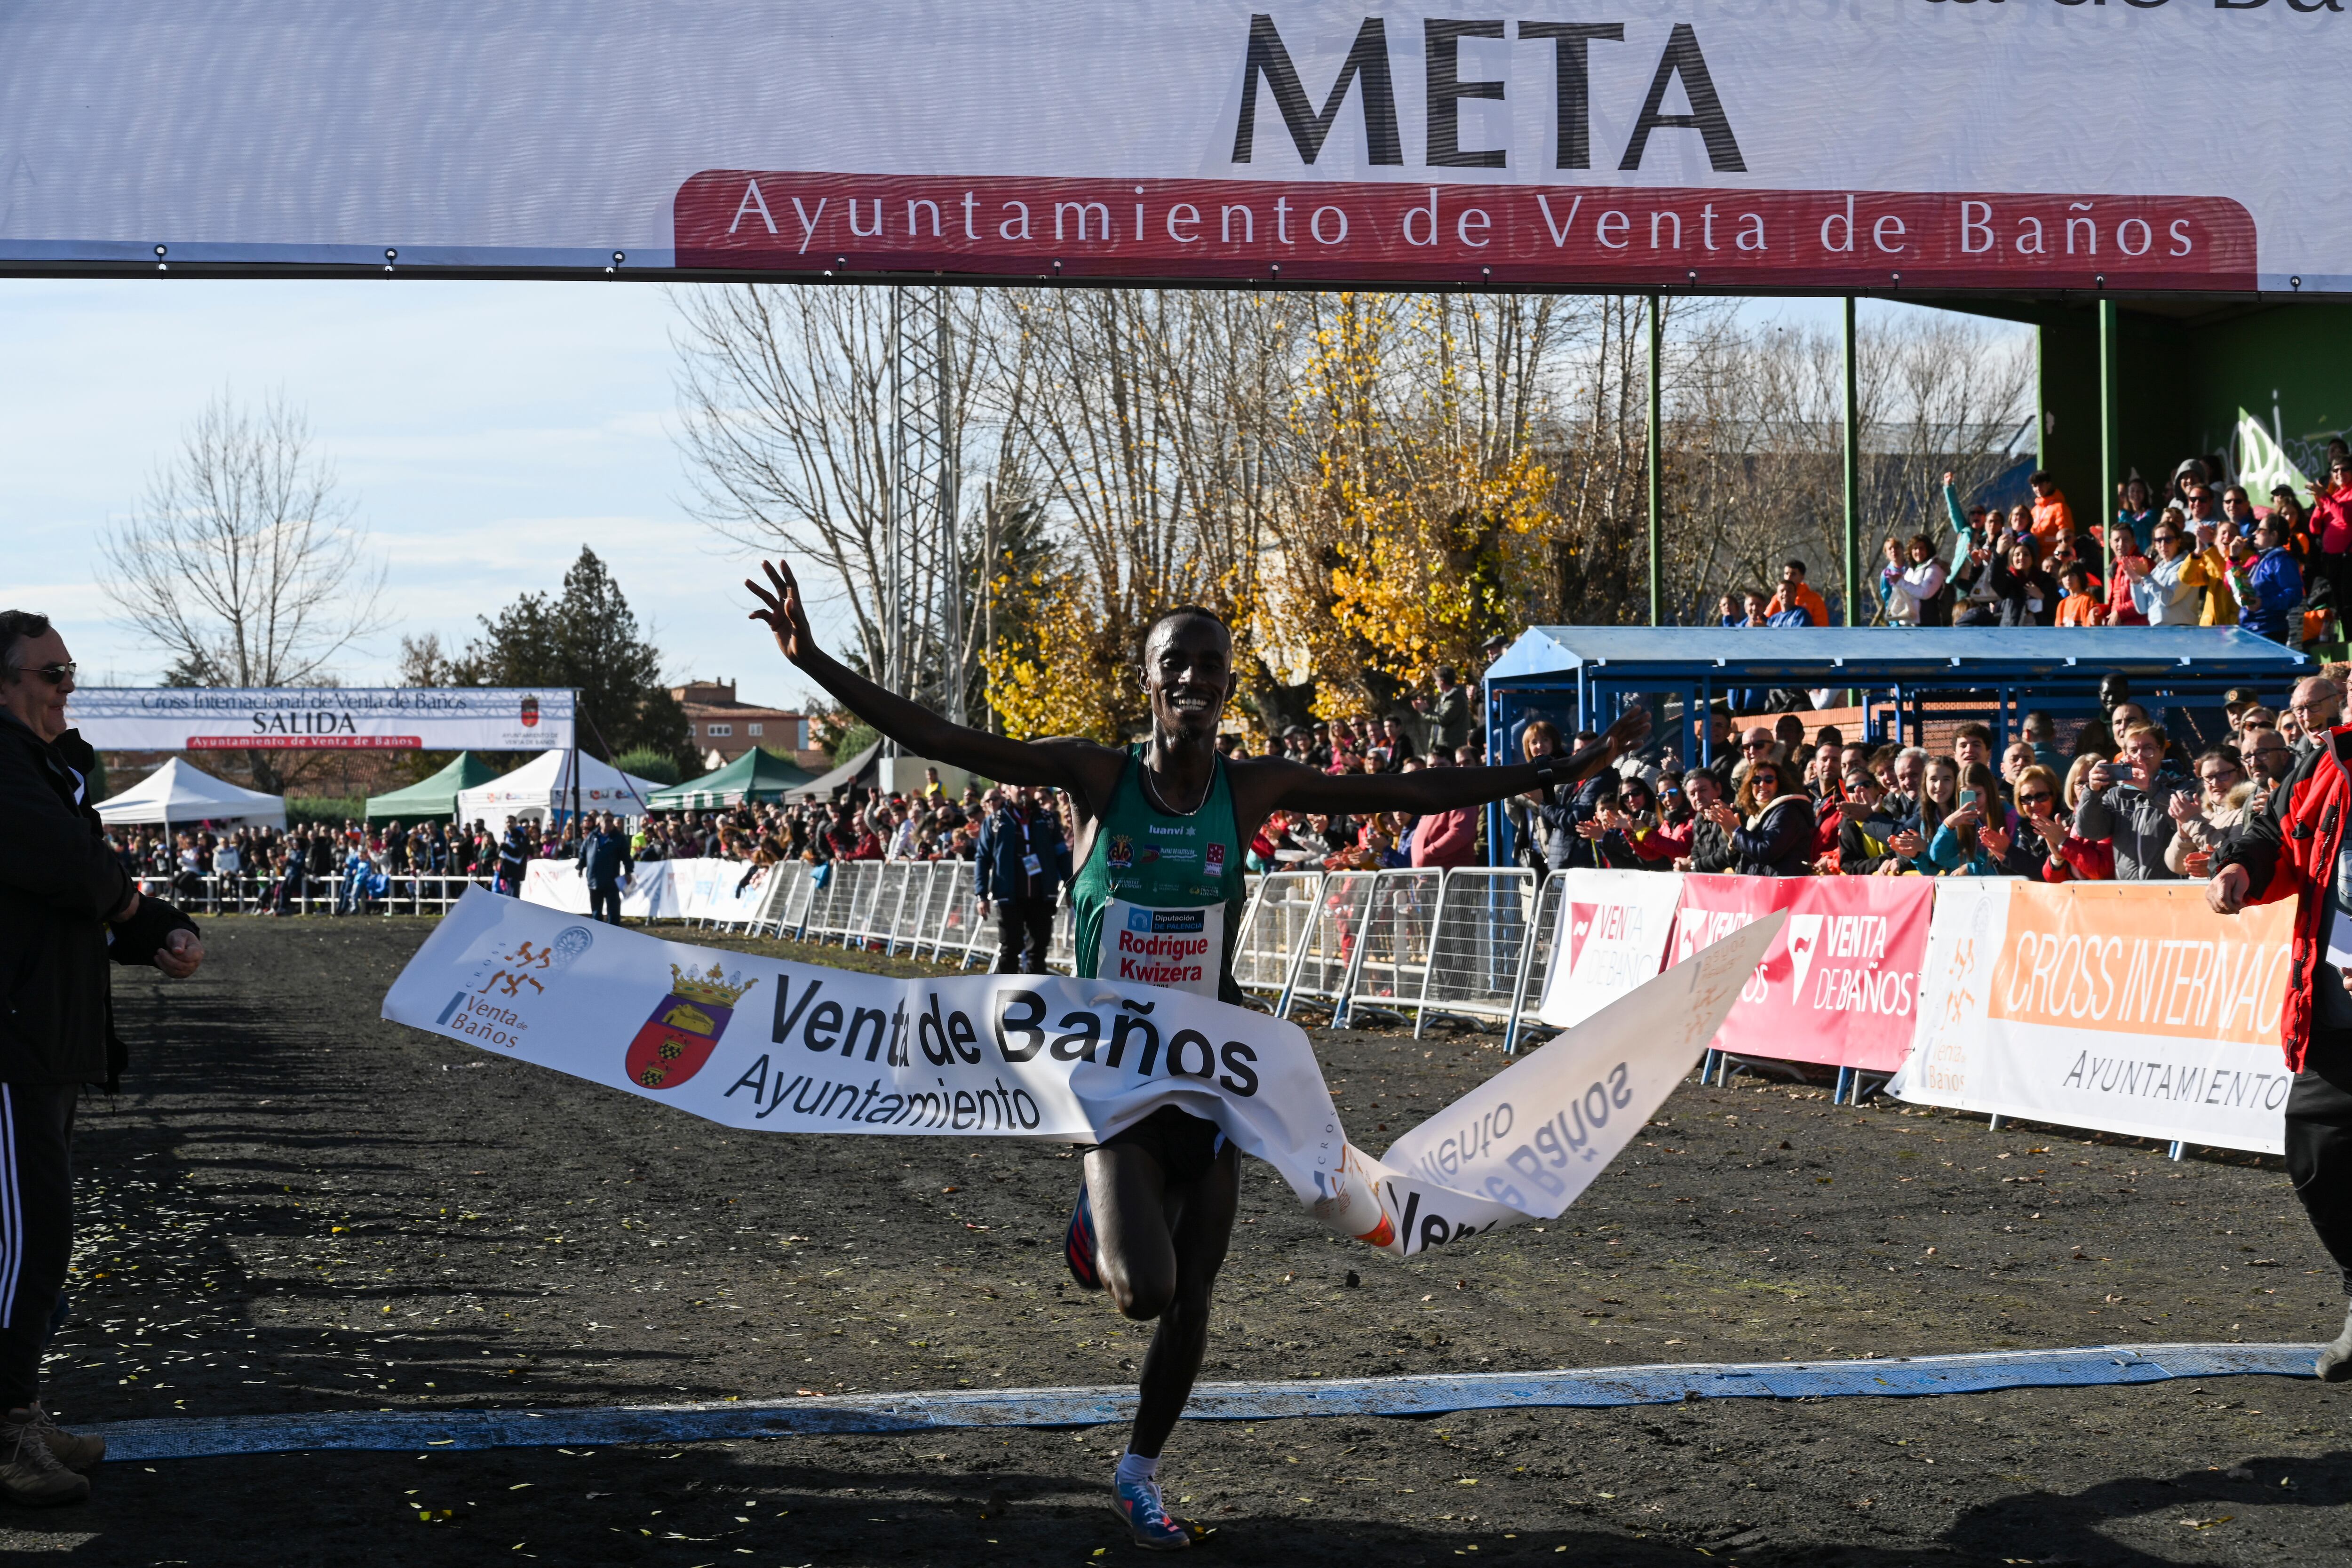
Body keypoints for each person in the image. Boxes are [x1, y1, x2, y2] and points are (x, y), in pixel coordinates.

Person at [743, 558, 1648, 1549]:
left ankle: (1139, 1471)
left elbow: (1410, 784)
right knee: (1147, 1291)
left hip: (1216, 1075)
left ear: (1226, 684)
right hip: (1114, 1082)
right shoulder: (1095, 777)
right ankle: (1096, 1230)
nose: (1195, 679)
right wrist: (818, 662)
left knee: (1198, 1292)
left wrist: (1568, 768)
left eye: (1212, 667)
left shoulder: (1254, 786)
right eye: (1177, 662)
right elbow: (956, 740)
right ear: (1150, 678)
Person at [0, 610, 204, 1505]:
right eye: (51, 675)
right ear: (3, 684)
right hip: (9, 1050)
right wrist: (139, 918)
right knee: (21, 1248)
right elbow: (73, 868)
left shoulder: (41, 767)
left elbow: (84, 875)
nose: (65, 689)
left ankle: (18, 1407)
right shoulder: (4, 767)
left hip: (45, 1044)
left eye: (69, 672)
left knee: (37, 1245)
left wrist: (152, 928)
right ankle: (7, 1435)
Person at [2208, 716, 2352, 1381]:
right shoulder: (2328, 758)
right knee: (2315, 1146)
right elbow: (2276, 834)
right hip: (2334, 1005)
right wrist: (2238, 867)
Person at [2074, 721, 2190, 880]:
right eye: (2134, 750)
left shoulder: (2182, 788)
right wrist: (2092, 791)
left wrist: (2151, 789)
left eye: (2148, 748)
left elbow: (2187, 823)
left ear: (2162, 752)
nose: (2140, 756)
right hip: (2129, 894)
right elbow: (2090, 831)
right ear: (2125, 754)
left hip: (2172, 893)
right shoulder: (2116, 796)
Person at [974, 783, 1069, 973]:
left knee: (1038, 951)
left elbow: (1062, 855)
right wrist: (981, 895)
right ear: (1008, 791)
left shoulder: (1048, 819)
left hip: (1042, 896)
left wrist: (1071, 886)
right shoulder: (995, 821)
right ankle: (1001, 998)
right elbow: (982, 859)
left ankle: (1035, 996)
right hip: (1009, 896)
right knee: (1010, 949)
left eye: (1029, 785)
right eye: (1018, 786)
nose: (1024, 789)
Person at [2245, 518, 2305, 644]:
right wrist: (2233, 557)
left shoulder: (2282, 561)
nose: (2255, 533)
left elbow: (2294, 595)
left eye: (2260, 530)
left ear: (2274, 535)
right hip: (2251, 628)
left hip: (2269, 630)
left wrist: (2263, 603)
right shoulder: (2262, 559)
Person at [577, 811, 634, 925]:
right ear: (600, 822)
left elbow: (626, 857)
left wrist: (629, 872)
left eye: (611, 821)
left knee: (613, 913)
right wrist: (580, 866)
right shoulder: (592, 836)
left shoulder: (618, 839)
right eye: (606, 821)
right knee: (596, 913)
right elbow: (583, 852)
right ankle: (598, 936)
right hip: (594, 880)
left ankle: (614, 936)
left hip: (611, 881)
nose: (609, 823)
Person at [1765, 559, 1829, 629]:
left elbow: (1822, 626)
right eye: (1786, 574)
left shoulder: (1814, 599)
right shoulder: (1778, 597)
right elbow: (1767, 621)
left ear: (1802, 577)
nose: (1789, 578)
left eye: (1793, 574)